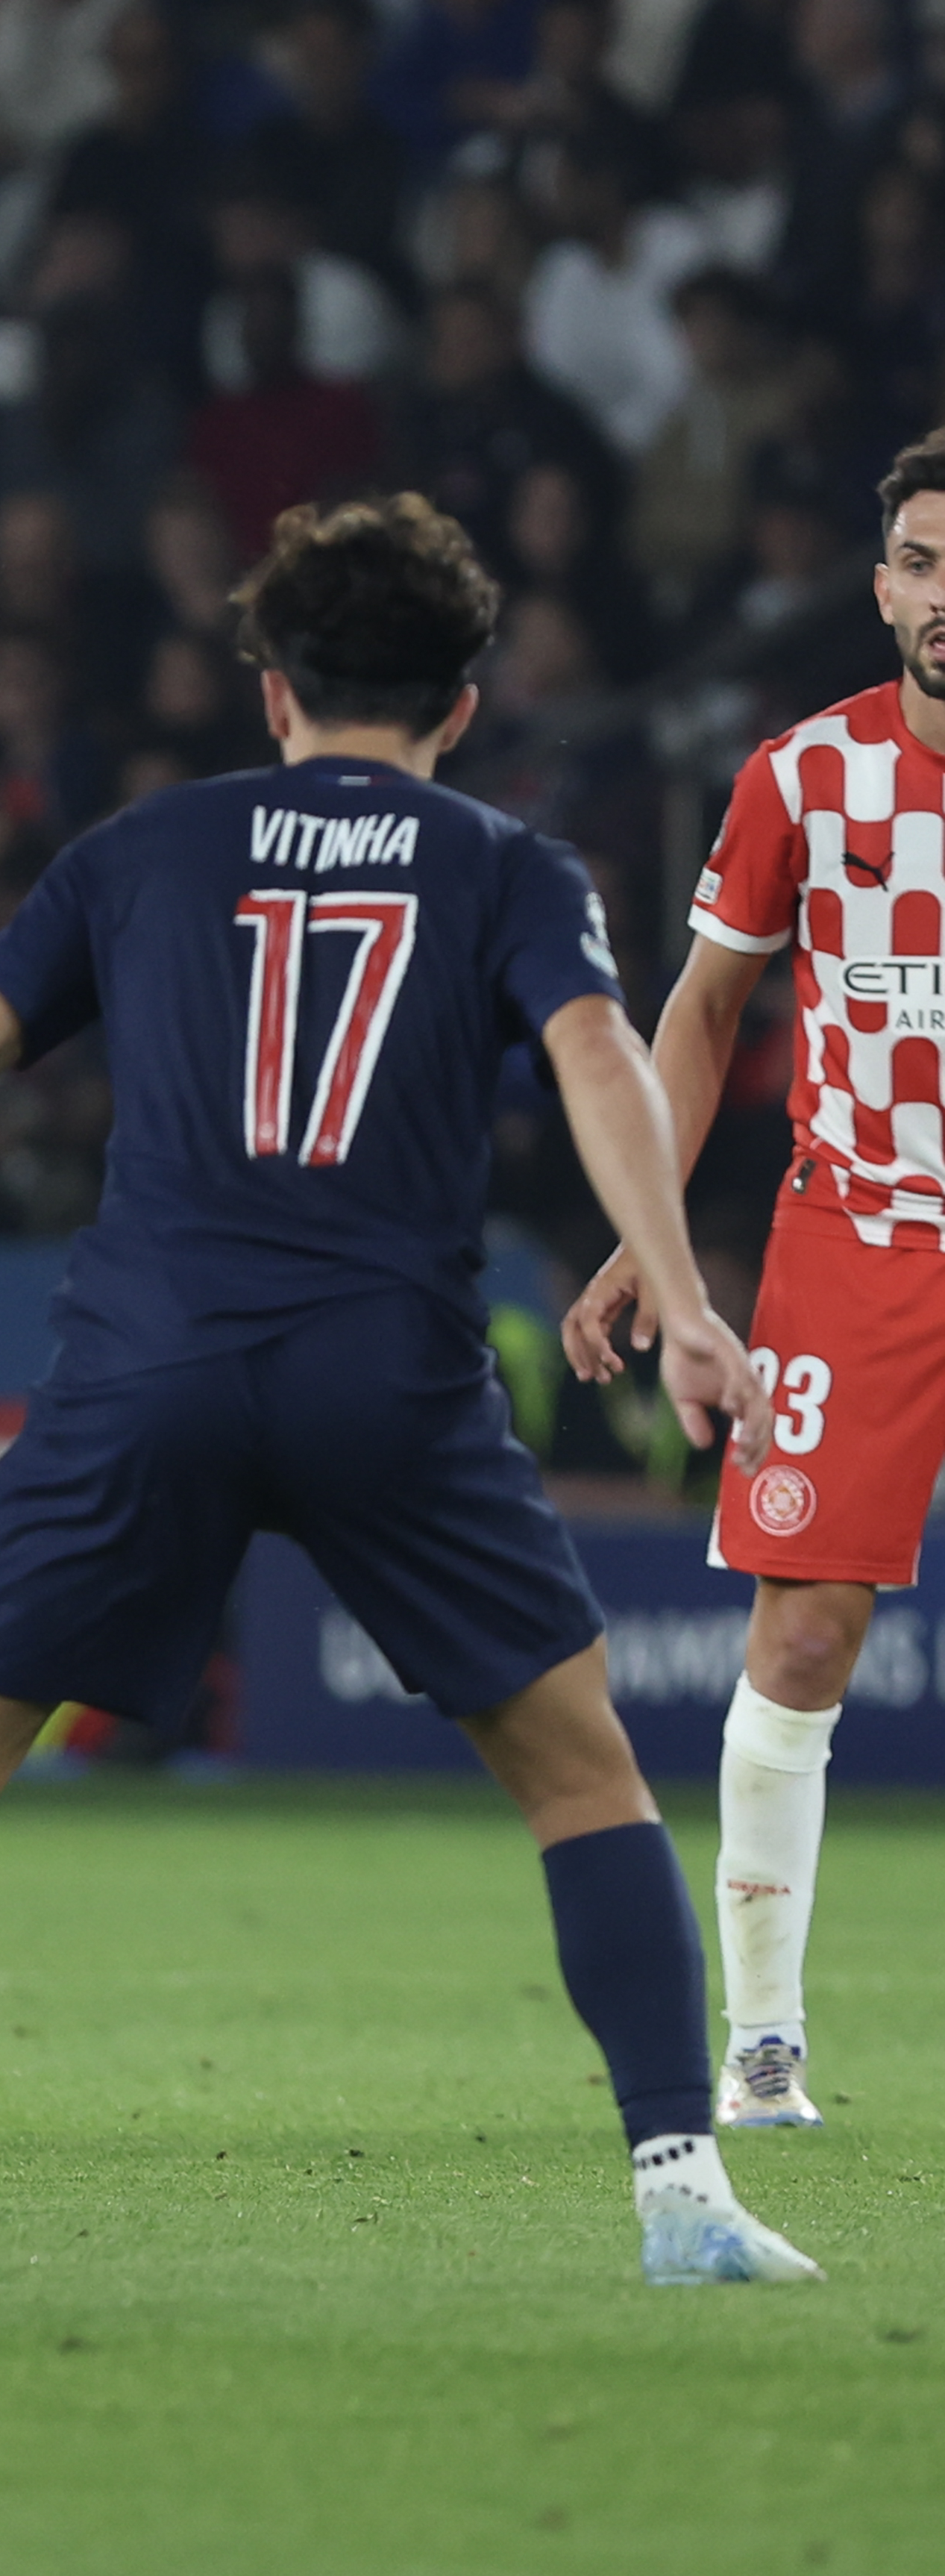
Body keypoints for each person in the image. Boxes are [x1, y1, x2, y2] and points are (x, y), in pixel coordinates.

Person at [0, 494, 821, 2289]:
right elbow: (597, 1059)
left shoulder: (141, 850)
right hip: (385, 1381)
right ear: (463, 707)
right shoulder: (507, 864)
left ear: (272, 690)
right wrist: (686, 1290)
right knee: (584, 1787)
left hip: (146, 1370)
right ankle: (684, 2198)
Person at [559, 427, 945, 2133]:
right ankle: (766, 2037)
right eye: (923, 564)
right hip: (857, 1241)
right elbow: (705, 1013)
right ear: (882, 590)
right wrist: (650, 1241)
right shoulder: (803, 778)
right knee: (803, 1627)